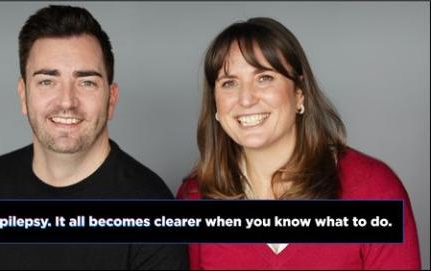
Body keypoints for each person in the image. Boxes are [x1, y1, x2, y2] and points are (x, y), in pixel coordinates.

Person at [0, 5, 187, 270]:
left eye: (86, 82)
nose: (67, 102)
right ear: (23, 95)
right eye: (47, 81)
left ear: (111, 99)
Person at [177, 17, 421, 269]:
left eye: (264, 78)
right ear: (216, 105)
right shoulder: (194, 197)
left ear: (299, 92)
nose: (246, 99)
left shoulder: (374, 190)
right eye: (229, 83)